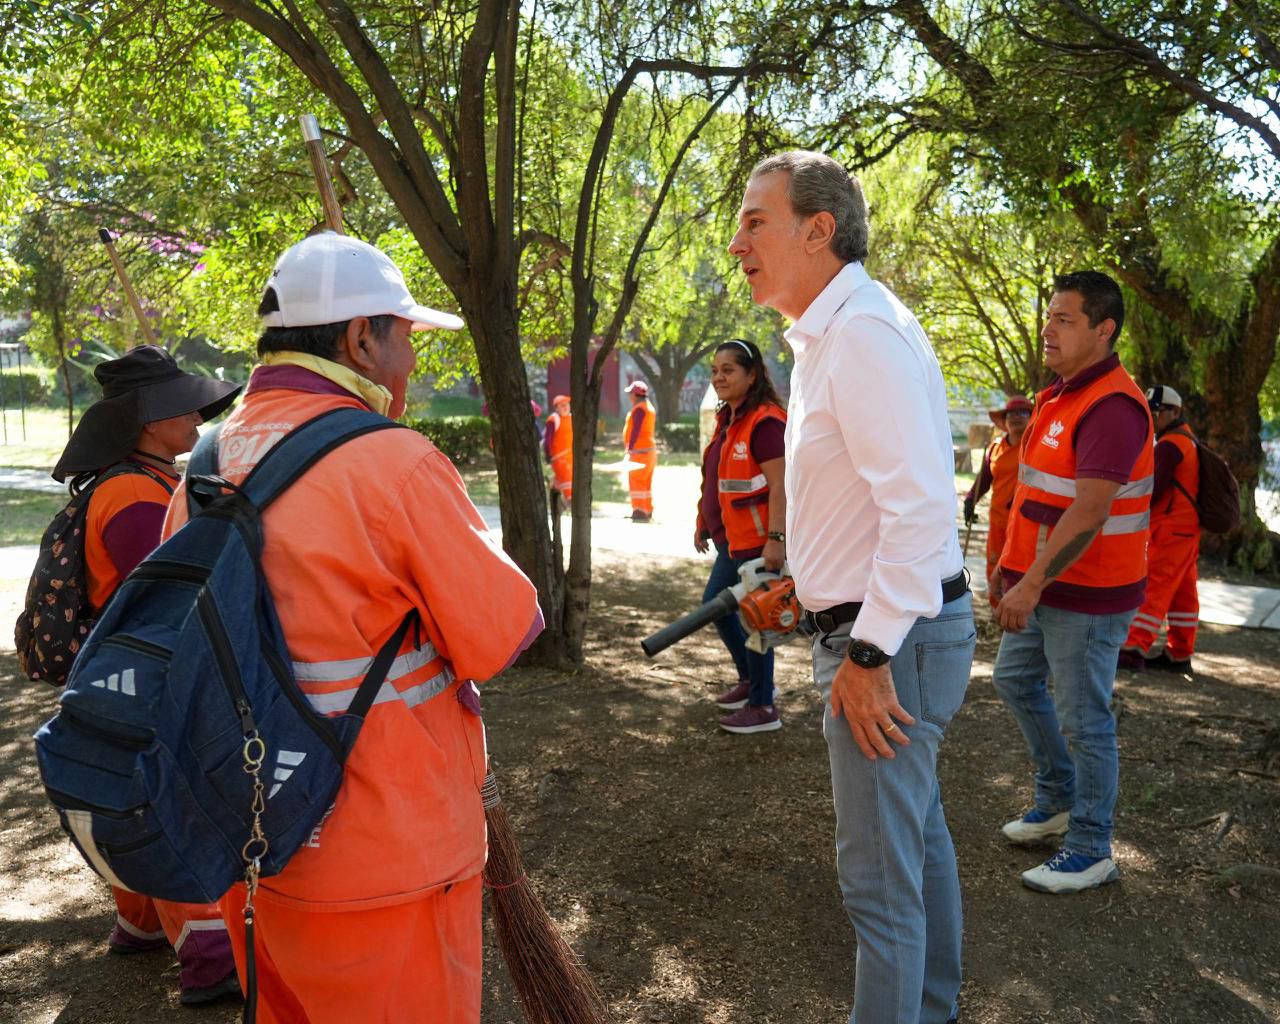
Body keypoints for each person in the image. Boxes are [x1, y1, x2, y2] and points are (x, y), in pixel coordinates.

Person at [163, 231, 541, 1023]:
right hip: (384, 860)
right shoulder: (391, 461)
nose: (411, 360)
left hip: (251, 848)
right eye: (403, 336)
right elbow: (500, 633)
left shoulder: (202, 464)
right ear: (359, 338)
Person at [729, 150, 974, 1024]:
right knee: (917, 848)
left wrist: (866, 651)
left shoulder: (862, 335)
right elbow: (873, 512)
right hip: (894, 625)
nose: (737, 243)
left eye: (756, 221)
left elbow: (917, 514)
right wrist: (807, 587)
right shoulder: (840, 331)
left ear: (818, 229)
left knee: (879, 884)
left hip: (893, 641)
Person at [50, 344, 242, 1006]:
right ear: (146, 419)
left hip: (133, 667)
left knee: (137, 789)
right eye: (177, 404)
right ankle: (210, 954)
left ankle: (138, 922)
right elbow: (163, 590)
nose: (194, 414)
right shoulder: (132, 491)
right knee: (170, 797)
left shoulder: (153, 481)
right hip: (148, 670)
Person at [992, 271, 1153, 895]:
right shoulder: (1060, 393)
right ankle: (1058, 798)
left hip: (1086, 593)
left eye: (1064, 319)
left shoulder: (1112, 405)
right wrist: (1014, 571)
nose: (1048, 329)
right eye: (1049, 316)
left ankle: (1090, 847)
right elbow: (1038, 495)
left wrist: (1029, 583)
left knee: (1086, 718)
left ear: (1103, 330)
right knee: (1013, 679)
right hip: (1045, 584)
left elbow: (1089, 510)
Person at [694, 339, 787, 734]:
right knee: (717, 609)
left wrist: (776, 539)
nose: (719, 377)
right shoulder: (729, 419)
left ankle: (764, 707)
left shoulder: (764, 422)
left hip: (757, 543)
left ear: (752, 375)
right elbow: (716, 480)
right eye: (715, 370)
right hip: (731, 541)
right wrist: (702, 521)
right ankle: (751, 682)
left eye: (728, 370)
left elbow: (782, 487)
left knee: (757, 621)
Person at [1119, 385, 1200, 673]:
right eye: (1150, 412)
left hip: (1169, 530)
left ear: (1175, 412)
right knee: (1183, 594)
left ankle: (1131, 649)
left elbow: (1152, 487)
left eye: (1157, 411)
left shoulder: (1171, 444)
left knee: (1154, 588)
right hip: (1185, 530)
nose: (1153, 417)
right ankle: (1180, 653)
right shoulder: (1187, 440)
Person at [964, 396, 1033, 609]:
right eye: (1011, 413)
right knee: (994, 567)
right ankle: (998, 613)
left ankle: (1017, 616)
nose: (1015, 417)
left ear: (1032, 417)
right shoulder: (995, 449)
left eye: (1023, 412)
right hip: (998, 521)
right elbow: (984, 479)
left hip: (1025, 523)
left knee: (1019, 571)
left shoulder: (1035, 446)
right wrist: (969, 501)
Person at [623, 380, 656, 521]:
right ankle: (646, 509)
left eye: (630, 393)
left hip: (639, 451)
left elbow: (635, 429)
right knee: (645, 482)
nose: (629, 396)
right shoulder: (648, 407)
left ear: (635, 394)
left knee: (636, 481)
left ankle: (639, 511)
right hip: (648, 451)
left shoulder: (639, 409)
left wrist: (629, 447)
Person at [543, 393, 573, 505]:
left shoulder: (571, 418)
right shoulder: (553, 419)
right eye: (562, 405)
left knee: (561, 480)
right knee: (567, 478)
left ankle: (555, 497)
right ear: (556, 408)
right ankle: (569, 500)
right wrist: (547, 454)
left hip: (571, 457)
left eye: (567, 404)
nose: (565, 407)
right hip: (559, 457)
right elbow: (548, 439)